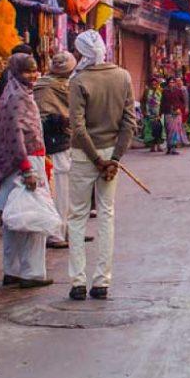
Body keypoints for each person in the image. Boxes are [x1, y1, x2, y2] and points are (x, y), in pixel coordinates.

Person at [0, 53, 53, 289]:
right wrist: (28, 169)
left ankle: (13, 270)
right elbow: (17, 136)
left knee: (14, 221)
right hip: (23, 164)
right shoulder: (18, 98)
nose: (34, 75)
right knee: (33, 220)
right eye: (28, 71)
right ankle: (32, 273)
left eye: (35, 70)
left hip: (13, 165)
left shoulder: (12, 93)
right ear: (17, 72)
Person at [67, 30, 136, 301]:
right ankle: (102, 282)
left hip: (85, 156)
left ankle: (77, 282)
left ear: (82, 53)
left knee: (77, 217)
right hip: (109, 157)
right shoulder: (123, 76)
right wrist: (114, 159)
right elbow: (129, 122)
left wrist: (97, 159)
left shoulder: (79, 81)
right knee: (106, 215)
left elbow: (78, 126)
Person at [34, 52, 77, 249]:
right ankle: (56, 233)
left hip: (60, 141)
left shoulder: (48, 85)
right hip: (53, 142)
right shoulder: (49, 87)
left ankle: (67, 230)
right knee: (57, 189)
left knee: (66, 190)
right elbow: (44, 116)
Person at [162, 76, 189, 153]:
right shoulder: (165, 91)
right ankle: (169, 147)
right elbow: (162, 102)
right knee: (168, 130)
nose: (172, 84)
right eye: (170, 82)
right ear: (168, 83)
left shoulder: (178, 90)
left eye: (173, 82)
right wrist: (160, 113)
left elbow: (183, 101)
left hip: (176, 113)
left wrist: (180, 108)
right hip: (168, 112)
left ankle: (173, 147)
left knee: (175, 130)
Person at [140, 77, 165, 152]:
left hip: (159, 113)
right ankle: (152, 146)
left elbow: (163, 101)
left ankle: (159, 146)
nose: (154, 84)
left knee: (160, 129)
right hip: (149, 114)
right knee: (150, 130)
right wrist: (144, 111)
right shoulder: (147, 91)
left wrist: (162, 111)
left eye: (155, 82)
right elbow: (143, 101)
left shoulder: (161, 90)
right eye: (152, 82)